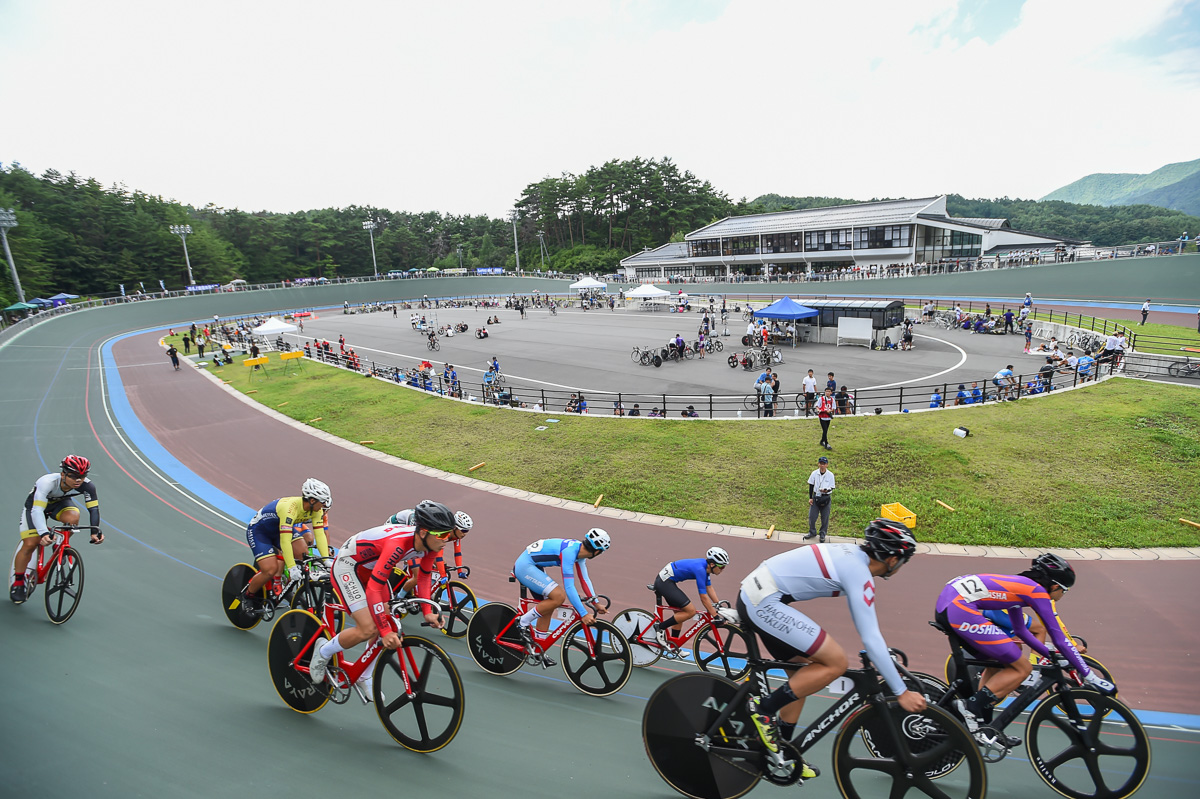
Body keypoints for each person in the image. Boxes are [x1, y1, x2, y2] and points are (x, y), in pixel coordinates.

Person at [741, 520, 924, 778]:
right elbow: (870, 638)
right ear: (893, 559)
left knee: (803, 677)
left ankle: (781, 750)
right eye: (904, 559)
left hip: (760, 594)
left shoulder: (855, 558)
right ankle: (764, 710)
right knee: (836, 662)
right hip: (763, 601)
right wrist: (901, 691)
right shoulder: (858, 573)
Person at [934, 554, 1116, 747]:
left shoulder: (1023, 587)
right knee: (1022, 668)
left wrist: (1050, 656)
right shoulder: (1037, 592)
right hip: (959, 607)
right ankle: (969, 707)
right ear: (1055, 586)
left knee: (999, 664)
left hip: (950, 603)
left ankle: (985, 728)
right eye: (1065, 590)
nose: (1063, 595)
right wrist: (1091, 677)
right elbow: (1059, 637)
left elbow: (1021, 630)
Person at [307, 501, 458, 695]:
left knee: (387, 619)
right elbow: (373, 590)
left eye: (449, 534)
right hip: (348, 566)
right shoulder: (397, 544)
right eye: (443, 535)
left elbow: (424, 576)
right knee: (369, 628)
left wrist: (428, 612)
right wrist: (384, 631)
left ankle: (363, 675)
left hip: (371, 568)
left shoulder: (433, 543)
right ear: (423, 532)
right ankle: (323, 651)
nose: (447, 540)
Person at [12, 456, 104, 604]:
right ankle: (18, 582)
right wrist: (43, 533)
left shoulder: (88, 486)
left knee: (74, 516)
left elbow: (93, 509)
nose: (78, 480)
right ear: (63, 474)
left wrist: (95, 531)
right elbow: (37, 511)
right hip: (35, 508)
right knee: (30, 544)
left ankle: (59, 546)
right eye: (74, 476)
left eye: (82, 476)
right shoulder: (47, 482)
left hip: (59, 505)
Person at [513, 529, 611, 666]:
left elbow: (584, 580)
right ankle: (522, 622)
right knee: (559, 596)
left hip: (534, 566)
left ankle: (538, 650)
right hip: (525, 566)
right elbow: (569, 587)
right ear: (597, 551)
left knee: (549, 605)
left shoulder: (579, 552)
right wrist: (583, 613)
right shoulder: (570, 553)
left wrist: (596, 603)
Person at [237, 479, 332, 610]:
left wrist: (326, 560)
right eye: (323, 502)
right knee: (270, 570)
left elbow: (320, 535)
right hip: (260, 532)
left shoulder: (317, 510)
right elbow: (285, 541)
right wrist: (292, 567)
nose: (325, 505)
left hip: (279, 530)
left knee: (303, 553)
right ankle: (247, 596)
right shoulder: (290, 508)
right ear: (312, 500)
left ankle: (287, 586)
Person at [650, 547, 732, 646]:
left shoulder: (706, 569)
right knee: (690, 611)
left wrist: (719, 605)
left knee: (680, 614)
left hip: (668, 581)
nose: (723, 569)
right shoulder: (701, 570)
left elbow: (709, 588)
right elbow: (703, 597)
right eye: (722, 567)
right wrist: (715, 616)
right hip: (664, 582)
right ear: (712, 564)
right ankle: (659, 627)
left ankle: (673, 644)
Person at [804, 456, 835, 541]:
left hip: (826, 498)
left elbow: (832, 487)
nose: (822, 465)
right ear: (818, 464)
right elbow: (811, 485)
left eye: (824, 464)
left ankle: (822, 533)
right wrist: (810, 497)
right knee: (812, 516)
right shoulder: (814, 473)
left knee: (825, 517)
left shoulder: (830, 475)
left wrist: (826, 490)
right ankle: (812, 531)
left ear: (827, 465)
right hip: (816, 497)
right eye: (821, 463)